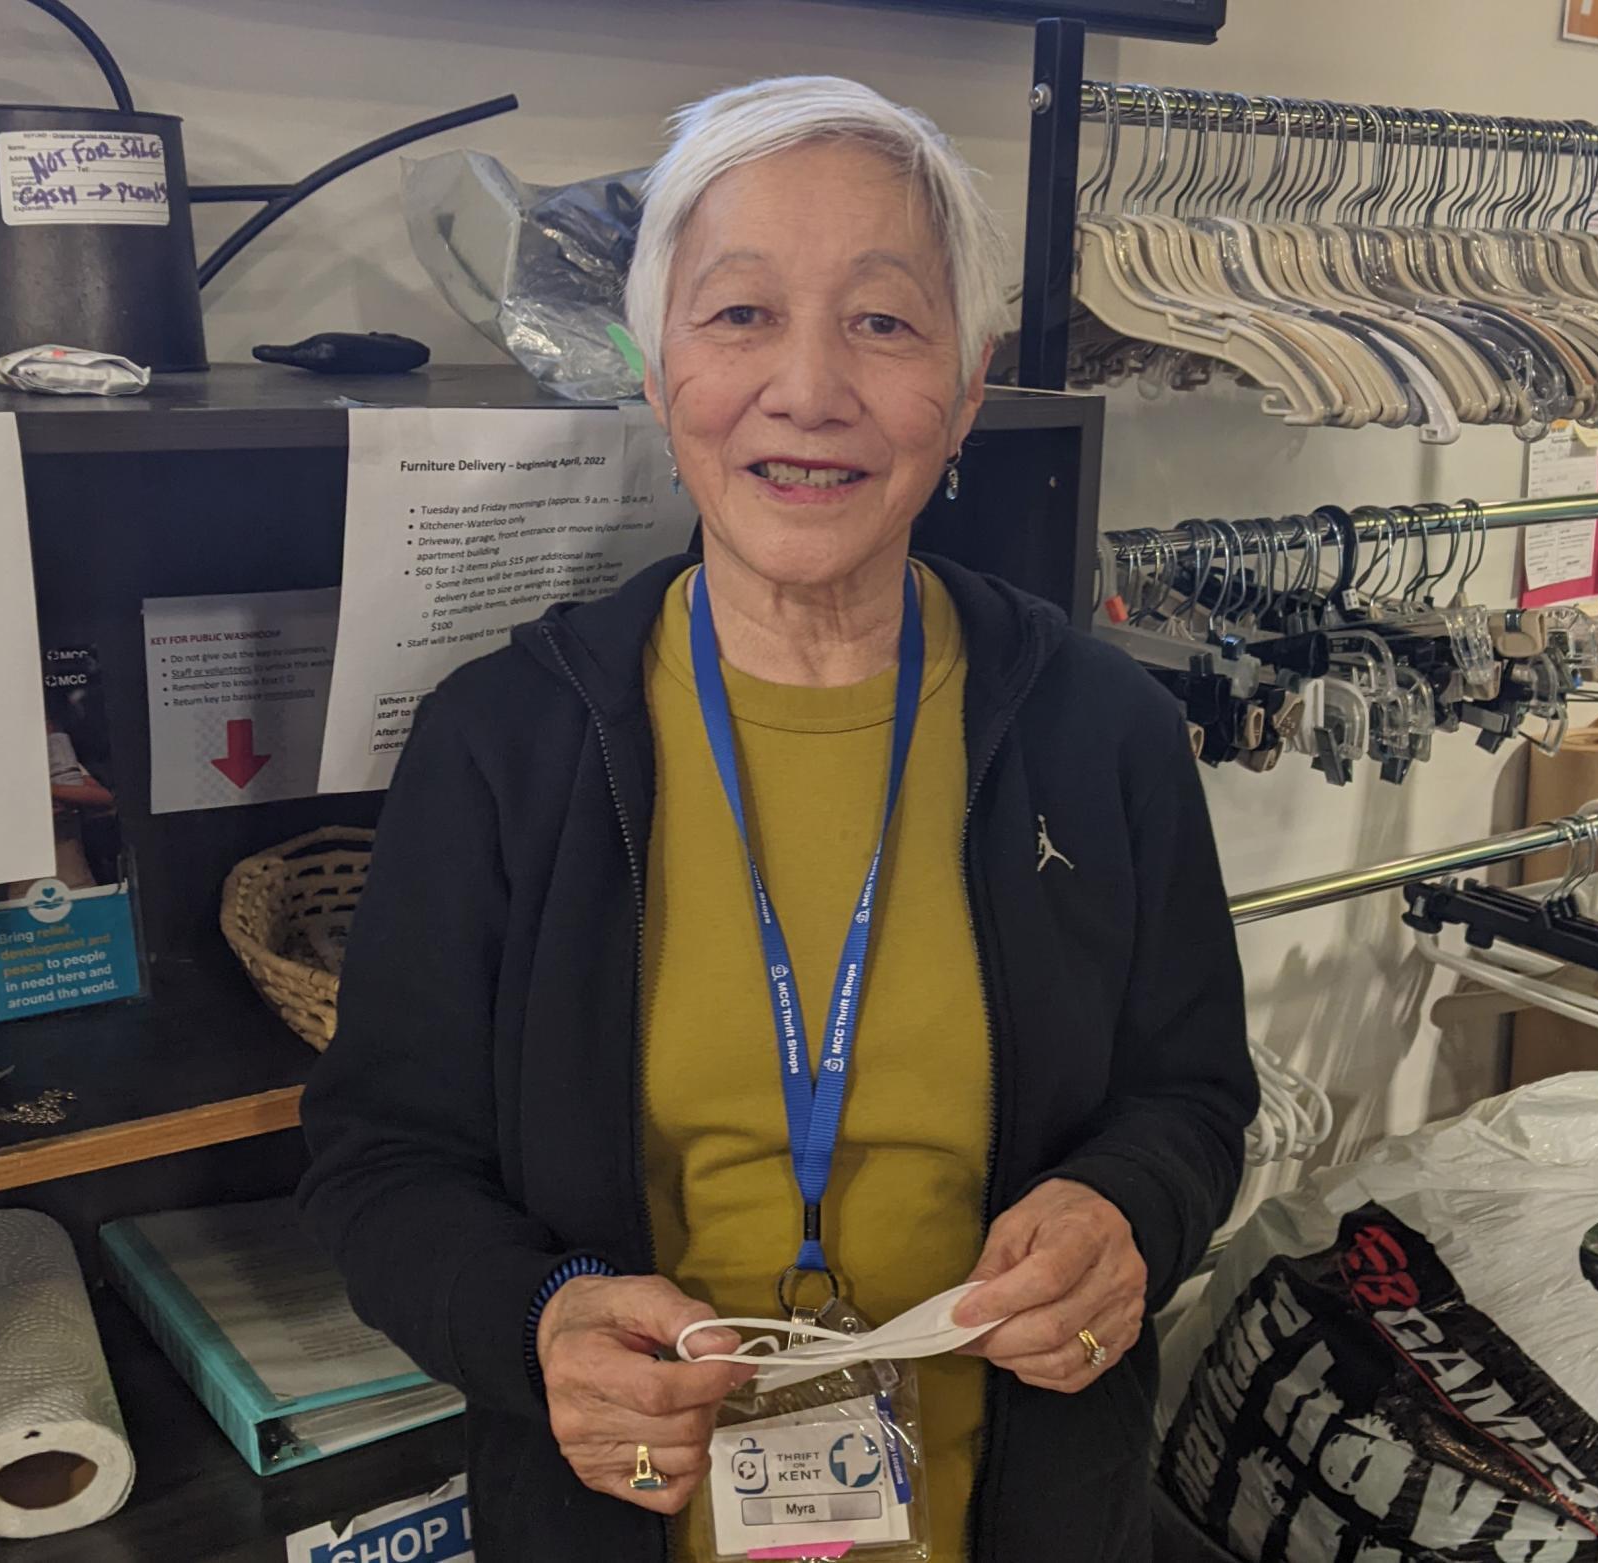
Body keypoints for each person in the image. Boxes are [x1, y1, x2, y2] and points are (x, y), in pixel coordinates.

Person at [299, 75, 1253, 1561]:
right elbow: (379, 1163)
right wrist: (535, 1320)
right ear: (655, 361)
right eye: (739, 314)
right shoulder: (505, 744)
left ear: (971, 386)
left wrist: (1127, 1214)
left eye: (883, 322)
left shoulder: (1101, 730)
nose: (809, 389)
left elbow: (1195, 1101)